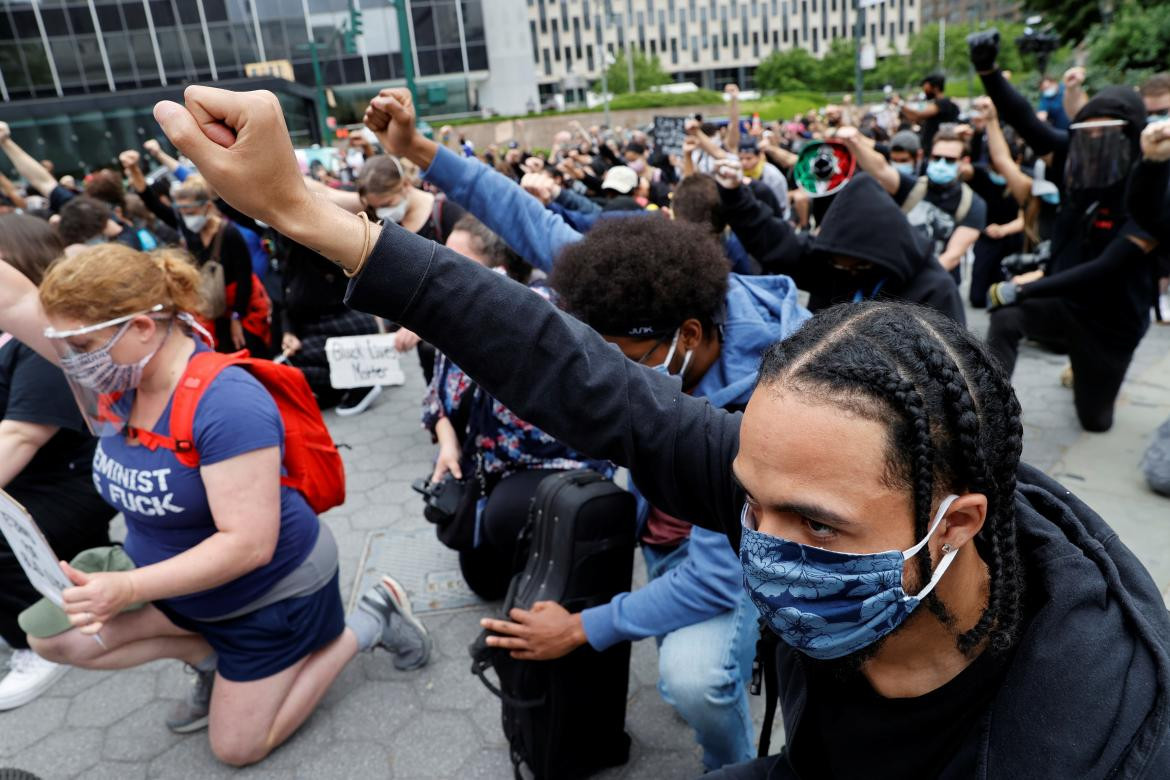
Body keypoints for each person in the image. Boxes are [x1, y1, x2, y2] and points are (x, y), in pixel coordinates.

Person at [152, 84, 1170, 778]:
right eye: (751, 505)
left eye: (814, 529)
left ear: (955, 524)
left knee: (691, 671)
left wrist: (592, 630)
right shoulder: (810, 461)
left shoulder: (1091, 739)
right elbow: (565, 364)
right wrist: (302, 207)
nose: (769, 550)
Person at [0, 241, 430, 766]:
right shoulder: (119, 372)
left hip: (266, 597)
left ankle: (367, 623)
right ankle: (211, 660)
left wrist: (129, 586)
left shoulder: (225, 402)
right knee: (50, 638)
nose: (72, 361)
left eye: (82, 345)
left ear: (140, 328)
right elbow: (11, 301)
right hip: (180, 591)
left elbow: (249, 546)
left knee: (237, 748)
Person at [969, 29, 1162, 432]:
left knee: (1095, 421)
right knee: (1007, 317)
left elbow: (1108, 266)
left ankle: (1087, 371)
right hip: (1063, 303)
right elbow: (1024, 118)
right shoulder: (1073, 158)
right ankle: (987, 411)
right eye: (1086, 131)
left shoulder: (1151, 191)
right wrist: (987, 71)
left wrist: (1025, 287)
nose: (1093, 142)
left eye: (1104, 133)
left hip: (1112, 320)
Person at [420, 215, 611, 601]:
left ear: (499, 271)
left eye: (459, 261)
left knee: (505, 516)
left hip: (553, 463)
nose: (445, 269)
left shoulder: (540, 313)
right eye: (444, 256)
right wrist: (448, 444)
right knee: (483, 583)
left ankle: (557, 559)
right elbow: (437, 400)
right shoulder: (455, 318)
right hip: (486, 463)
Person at [0, 215, 116, 711]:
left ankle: (33, 640)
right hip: (39, 479)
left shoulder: (44, 341)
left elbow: (21, 435)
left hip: (75, 481)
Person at [715, 159, 965, 322]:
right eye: (841, 266)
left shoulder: (935, 291)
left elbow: (955, 369)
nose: (849, 273)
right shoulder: (831, 263)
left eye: (858, 267)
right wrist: (735, 196)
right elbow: (777, 241)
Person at [839, 125, 987, 286]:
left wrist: (916, 281)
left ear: (964, 161)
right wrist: (853, 142)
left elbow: (952, 256)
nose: (941, 164)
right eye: (936, 158)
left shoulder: (973, 203)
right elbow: (880, 169)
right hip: (895, 276)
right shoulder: (913, 187)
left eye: (950, 160)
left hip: (936, 286)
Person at [171, 177, 272, 356]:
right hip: (213, 309)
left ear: (207, 207)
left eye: (191, 212)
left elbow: (244, 278)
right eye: (183, 213)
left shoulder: (230, 233)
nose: (187, 218)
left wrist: (237, 318)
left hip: (241, 309)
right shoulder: (192, 235)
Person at [899, 73, 960, 150]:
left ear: (936, 88)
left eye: (926, 87)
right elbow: (914, 117)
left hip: (936, 148)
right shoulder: (935, 103)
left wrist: (899, 103)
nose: (924, 90)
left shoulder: (943, 103)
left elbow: (918, 115)